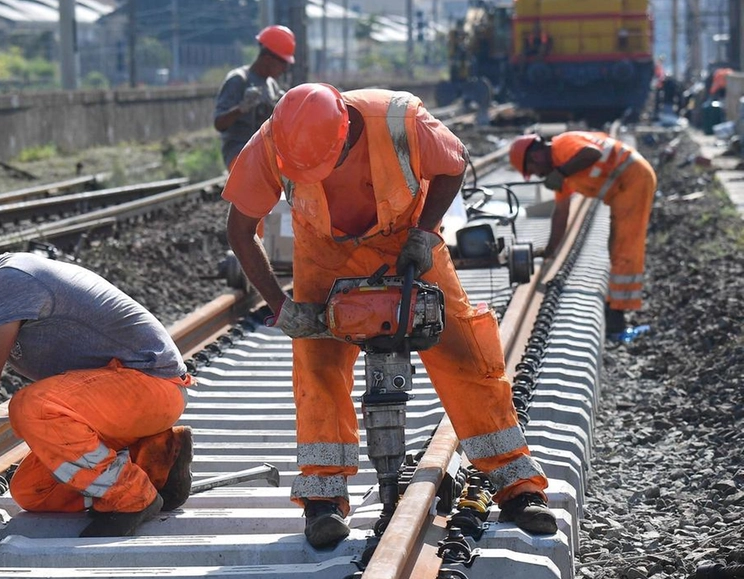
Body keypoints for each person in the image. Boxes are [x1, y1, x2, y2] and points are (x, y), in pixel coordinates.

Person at [222, 83, 557, 549]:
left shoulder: (400, 119)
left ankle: (517, 485)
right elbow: (240, 229)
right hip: (325, 254)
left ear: (346, 130)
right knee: (318, 366)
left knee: (463, 350)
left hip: (407, 242)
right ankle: (323, 498)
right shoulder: (273, 142)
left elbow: (454, 163)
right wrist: (282, 308)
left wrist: (424, 234)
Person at [0, 201, 196, 537]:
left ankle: (131, 497)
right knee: (33, 489)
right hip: (122, 401)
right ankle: (156, 461)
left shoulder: (10, 281)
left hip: (151, 385)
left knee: (31, 407)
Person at [508, 132, 656, 336]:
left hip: (633, 179)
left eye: (532, 170)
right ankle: (614, 309)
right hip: (623, 188)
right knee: (616, 246)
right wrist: (550, 251)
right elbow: (561, 213)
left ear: (534, 156)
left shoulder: (563, 146)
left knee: (625, 248)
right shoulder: (560, 170)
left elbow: (591, 153)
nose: (538, 175)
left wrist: (561, 172)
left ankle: (617, 323)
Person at [213, 25, 294, 168]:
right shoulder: (238, 80)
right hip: (239, 152)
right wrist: (241, 108)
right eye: (283, 63)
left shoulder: (272, 86)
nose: (285, 70)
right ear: (268, 58)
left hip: (264, 153)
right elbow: (219, 123)